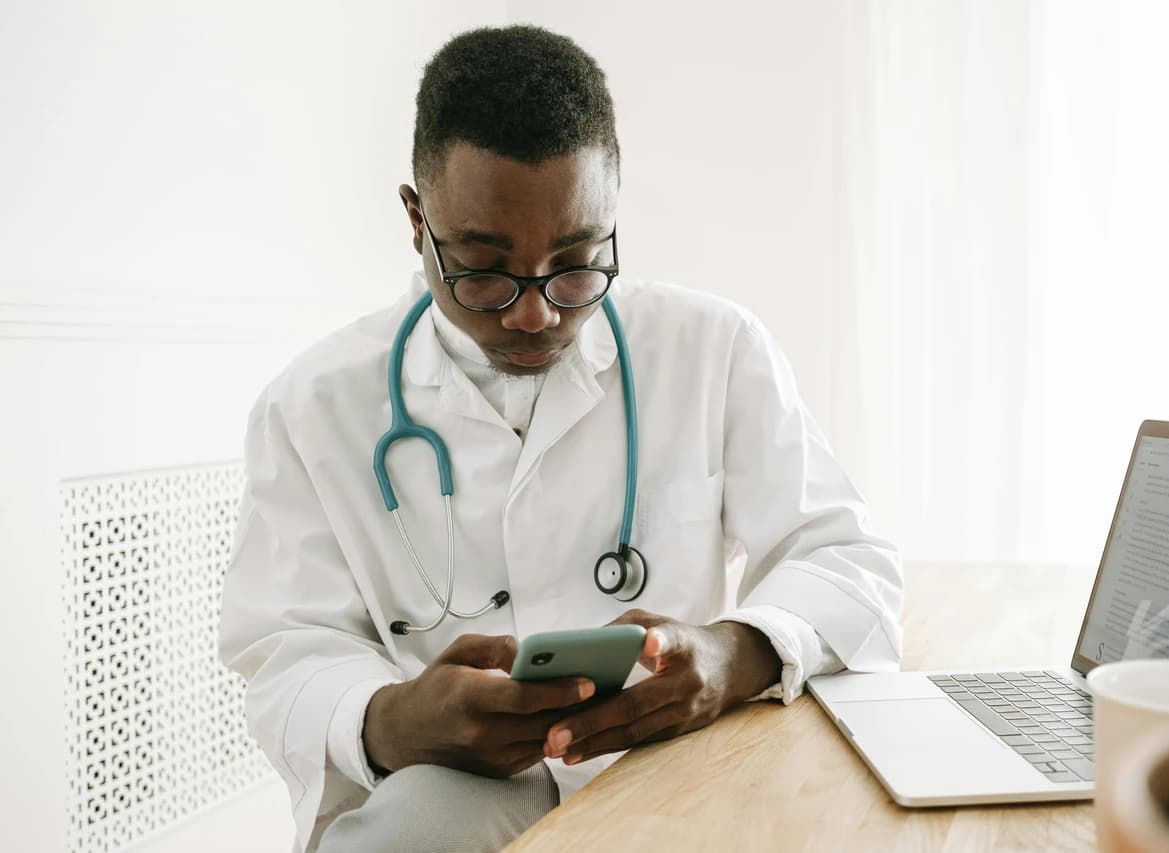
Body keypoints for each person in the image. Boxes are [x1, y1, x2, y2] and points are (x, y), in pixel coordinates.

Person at [218, 24, 903, 853]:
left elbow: (850, 562)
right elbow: (285, 651)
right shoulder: (311, 407)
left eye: (577, 261)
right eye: (484, 269)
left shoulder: (711, 349)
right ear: (415, 219)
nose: (536, 311)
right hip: (457, 791)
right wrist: (393, 718)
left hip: (670, 772)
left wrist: (735, 652)